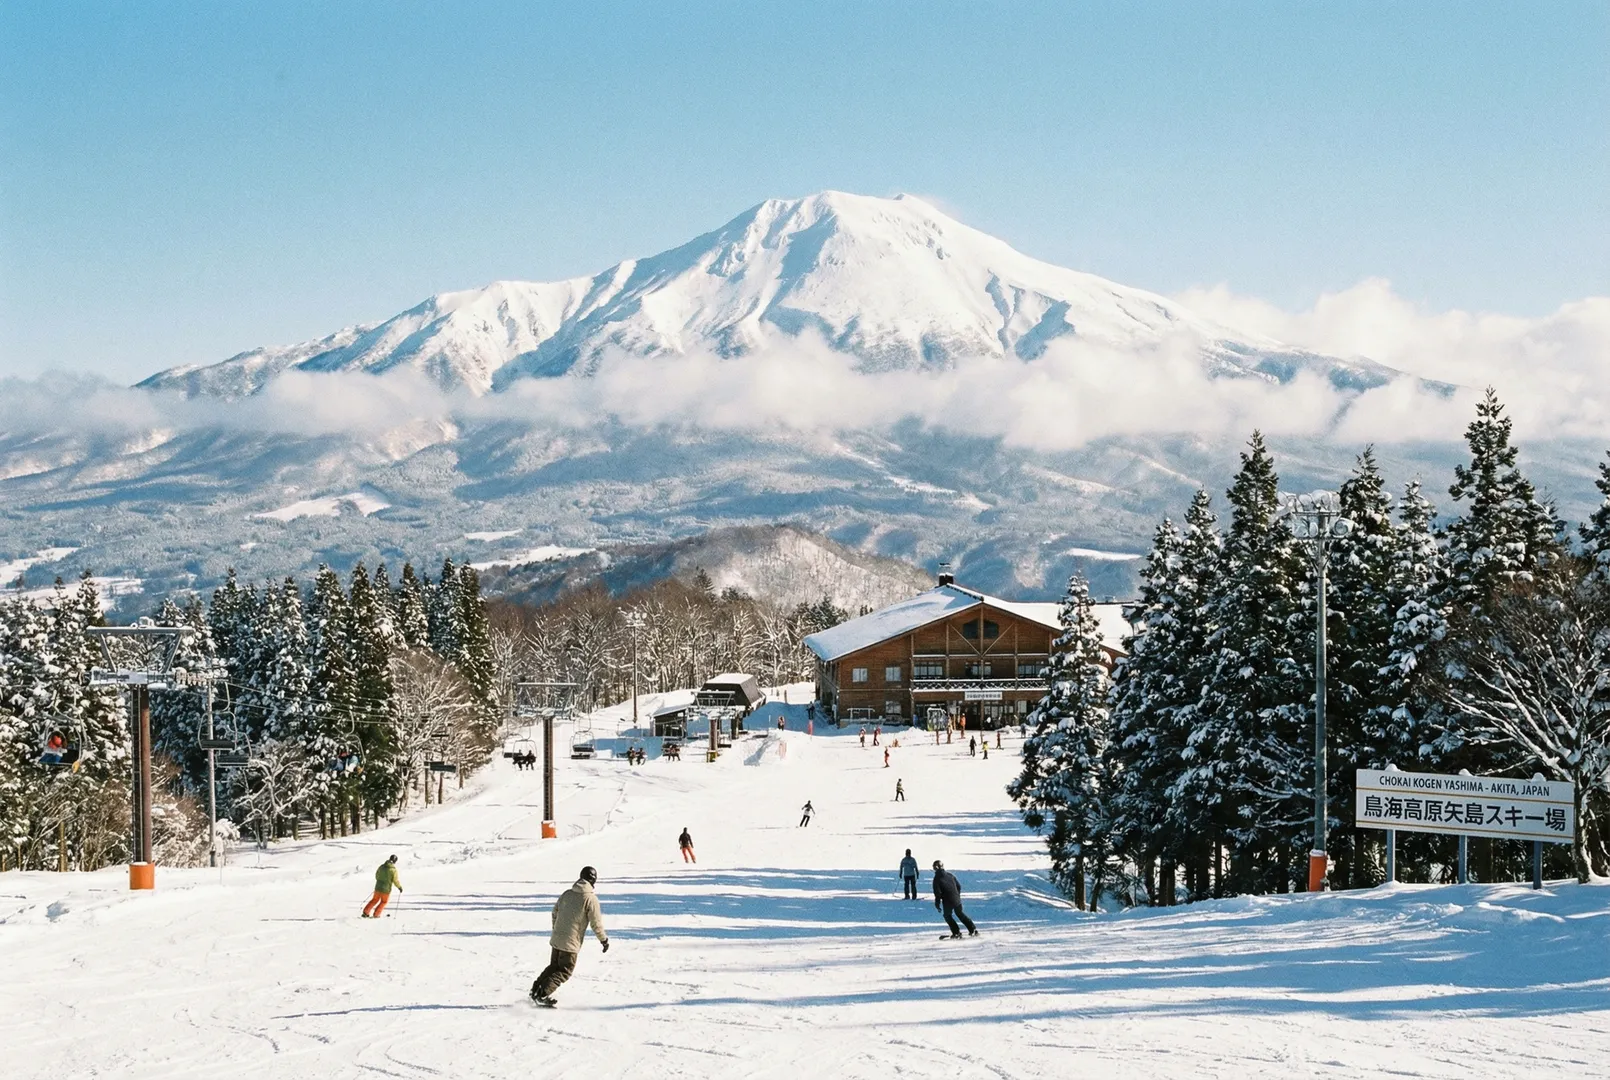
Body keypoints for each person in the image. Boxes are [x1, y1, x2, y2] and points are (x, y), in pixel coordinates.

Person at [530, 866, 610, 1006]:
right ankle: (542, 995)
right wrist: (603, 940)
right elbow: (596, 924)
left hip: (557, 937)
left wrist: (557, 929)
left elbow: (555, 913)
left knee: (554, 967)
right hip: (570, 941)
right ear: (593, 880)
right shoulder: (590, 899)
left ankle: (535, 990)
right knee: (565, 970)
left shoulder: (567, 894)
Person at [932, 860, 977, 938]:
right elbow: (958, 886)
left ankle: (956, 932)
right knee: (960, 913)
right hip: (956, 898)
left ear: (935, 868)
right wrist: (956, 895)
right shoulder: (950, 875)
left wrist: (937, 904)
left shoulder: (936, 879)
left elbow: (937, 893)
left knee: (947, 916)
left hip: (947, 900)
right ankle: (972, 929)